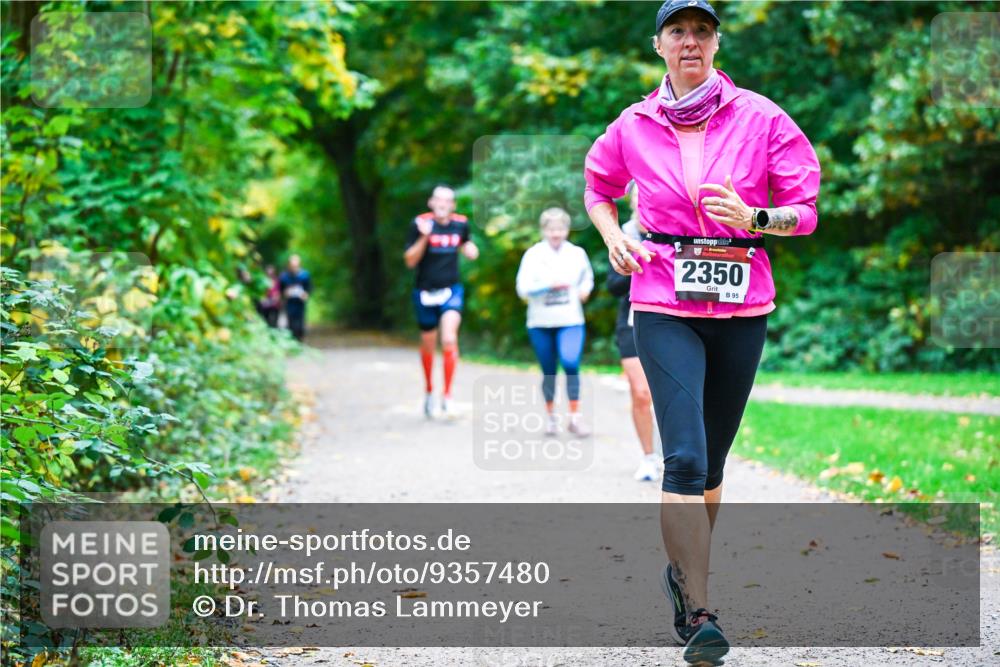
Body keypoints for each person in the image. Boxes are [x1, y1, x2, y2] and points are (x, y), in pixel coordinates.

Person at [584, 0, 821, 662]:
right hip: (662, 298)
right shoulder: (632, 124)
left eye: (702, 31)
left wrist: (755, 217)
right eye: (678, 32)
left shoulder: (762, 117)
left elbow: (804, 211)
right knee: (683, 458)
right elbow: (598, 188)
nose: (690, 41)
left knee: (712, 463)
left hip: (742, 306)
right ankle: (699, 608)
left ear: (717, 44)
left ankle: (683, 577)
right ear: (658, 45)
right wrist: (612, 238)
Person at [515, 208, 594, 437]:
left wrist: (585, 290)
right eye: (551, 229)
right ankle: (551, 418)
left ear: (567, 230)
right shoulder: (533, 255)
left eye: (560, 229)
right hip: (540, 323)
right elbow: (522, 289)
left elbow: (587, 278)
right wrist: (548, 286)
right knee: (549, 370)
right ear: (543, 230)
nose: (556, 233)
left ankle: (575, 418)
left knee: (570, 362)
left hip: (570, 320)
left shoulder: (577, 253)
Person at [403, 185, 479, 418]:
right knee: (428, 344)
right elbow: (409, 261)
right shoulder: (419, 224)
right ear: (431, 202)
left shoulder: (460, 224)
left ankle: (448, 396)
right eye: (438, 200)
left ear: (453, 205)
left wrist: (470, 249)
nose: (442, 204)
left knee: (448, 339)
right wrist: (425, 236)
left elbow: (467, 244)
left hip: (451, 291)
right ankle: (429, 391)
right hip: (424, 292)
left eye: (447, 200)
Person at [606, 184, 660, 481]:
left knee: (670, 395)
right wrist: (638, 264)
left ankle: (675, 454)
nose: (643, 203)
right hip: (631, 321)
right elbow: (613, 286)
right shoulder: (622, 235)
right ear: (632, 203)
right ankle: (649, 457)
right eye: (638, 198)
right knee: (641, 392)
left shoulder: (672, 231)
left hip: (670, 320)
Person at [279, 255, 311, 342]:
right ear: (289, 265)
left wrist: (306, 294)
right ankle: (292, 340)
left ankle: (300, 339)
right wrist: (284, 293)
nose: (294, 267)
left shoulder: (305, 275)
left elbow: (309, 288)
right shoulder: (284, 276)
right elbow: (280, 289)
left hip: (300, 302)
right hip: (289, 302)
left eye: (296, 265)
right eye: (292, 265)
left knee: (300, 322)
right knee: (291, 322)